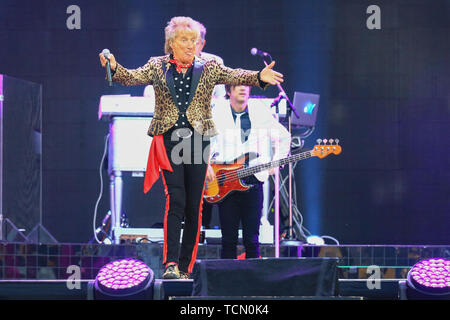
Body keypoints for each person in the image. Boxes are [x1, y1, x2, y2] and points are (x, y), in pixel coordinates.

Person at [98, 16, 284, 279]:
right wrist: (114, 67)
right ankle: (171, 264)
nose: (190, 45)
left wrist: (258, 77)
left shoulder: (208, 67)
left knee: (194, 207)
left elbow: (234, 74)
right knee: (176, 199)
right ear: (171, 43)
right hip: (170, 140)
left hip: (198, 141)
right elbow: (130, 77)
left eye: (194, 41)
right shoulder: (157, 66)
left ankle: (185, 267)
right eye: (184, 40)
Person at [209, 84, 291, 259]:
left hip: (253, 180)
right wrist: (207, 164)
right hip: (226, 181)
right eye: (238, 86)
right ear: (229, 91)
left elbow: (284, 137)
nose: (243, 88)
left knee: (252, 239)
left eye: (246, 85)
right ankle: (226, 282)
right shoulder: (218, 113)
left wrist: (275, 163)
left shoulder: (260, 112)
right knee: (228, 239)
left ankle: (252, 283)